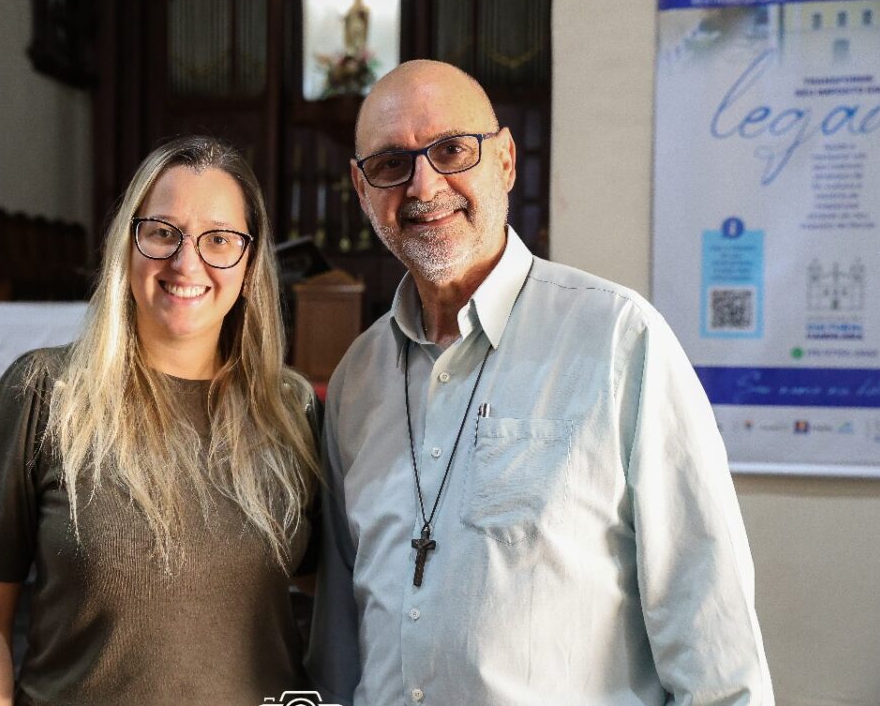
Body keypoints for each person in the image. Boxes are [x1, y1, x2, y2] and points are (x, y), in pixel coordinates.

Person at [306, 60, 774, 705]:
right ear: (362, 191)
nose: (424, 185)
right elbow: (339, 630)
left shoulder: (615, 338)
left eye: (451, 150)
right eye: (391, 163)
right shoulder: (358, 379)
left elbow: (709, 622)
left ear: (504, 161)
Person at [0, 135, 320, 705]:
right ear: (128, 243)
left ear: (250, 262)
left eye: (219, 239)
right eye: (162, 232)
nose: (186, 261)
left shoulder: (291, 412)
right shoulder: (47, 393)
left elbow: (339, 597)